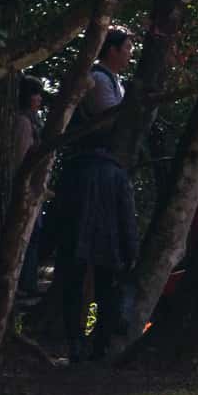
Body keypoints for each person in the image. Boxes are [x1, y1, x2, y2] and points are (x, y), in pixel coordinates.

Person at [59, 139, 140, 362]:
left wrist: (50, 242)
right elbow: (126, 216)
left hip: (75, 241)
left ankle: (76, 343)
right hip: (109, 245)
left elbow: (59, 210)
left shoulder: (73, 171)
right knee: (106, 295)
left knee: (73, 294)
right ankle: (100, 344)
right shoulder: (117, 174)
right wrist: (131, 250)